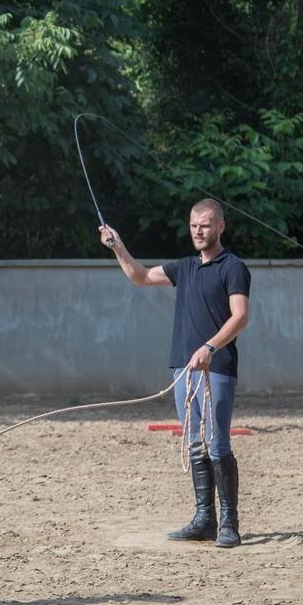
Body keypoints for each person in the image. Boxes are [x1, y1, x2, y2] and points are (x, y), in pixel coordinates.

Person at [98, 199, 252, 548]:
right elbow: (140, 276)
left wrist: (210, 348)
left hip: (217, 369)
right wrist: (117, 246)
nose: (199, 230)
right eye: (195, 225)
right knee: (195, 442)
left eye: (206, 225)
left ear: (220, 227)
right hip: (182, 368)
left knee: (218, 443)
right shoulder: (184, 267)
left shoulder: (234, 267)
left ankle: (229, 523)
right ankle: (204, 519)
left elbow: (240, 316)